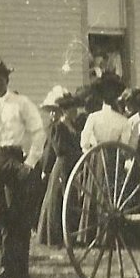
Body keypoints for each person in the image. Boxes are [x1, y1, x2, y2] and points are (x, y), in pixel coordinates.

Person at [0, 56, 45, 278]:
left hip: (12, 161)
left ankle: (20, 274)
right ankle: (7, 270)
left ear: (6, 78)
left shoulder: (20, 103)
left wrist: (31, 162)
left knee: (17, 219)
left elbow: (38, 132)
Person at [37, 90, 83, 246]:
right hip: (63, 165)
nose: (75, 112)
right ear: (65, 111)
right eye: (72, 109)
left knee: (70, 198)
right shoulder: (58, 127)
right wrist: (77, 153)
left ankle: (70, 234)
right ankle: (54, 237)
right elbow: (59, 149)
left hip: (73, 164)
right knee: (58, 199)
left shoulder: (73, 126)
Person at [80, 75, 131, 153]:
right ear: (116, 97)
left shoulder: (93, 117)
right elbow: (125, 145)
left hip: (97, 156)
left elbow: (84, 142)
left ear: (101, 98)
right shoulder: (124, 121)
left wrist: (90, 149)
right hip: (115, 159)